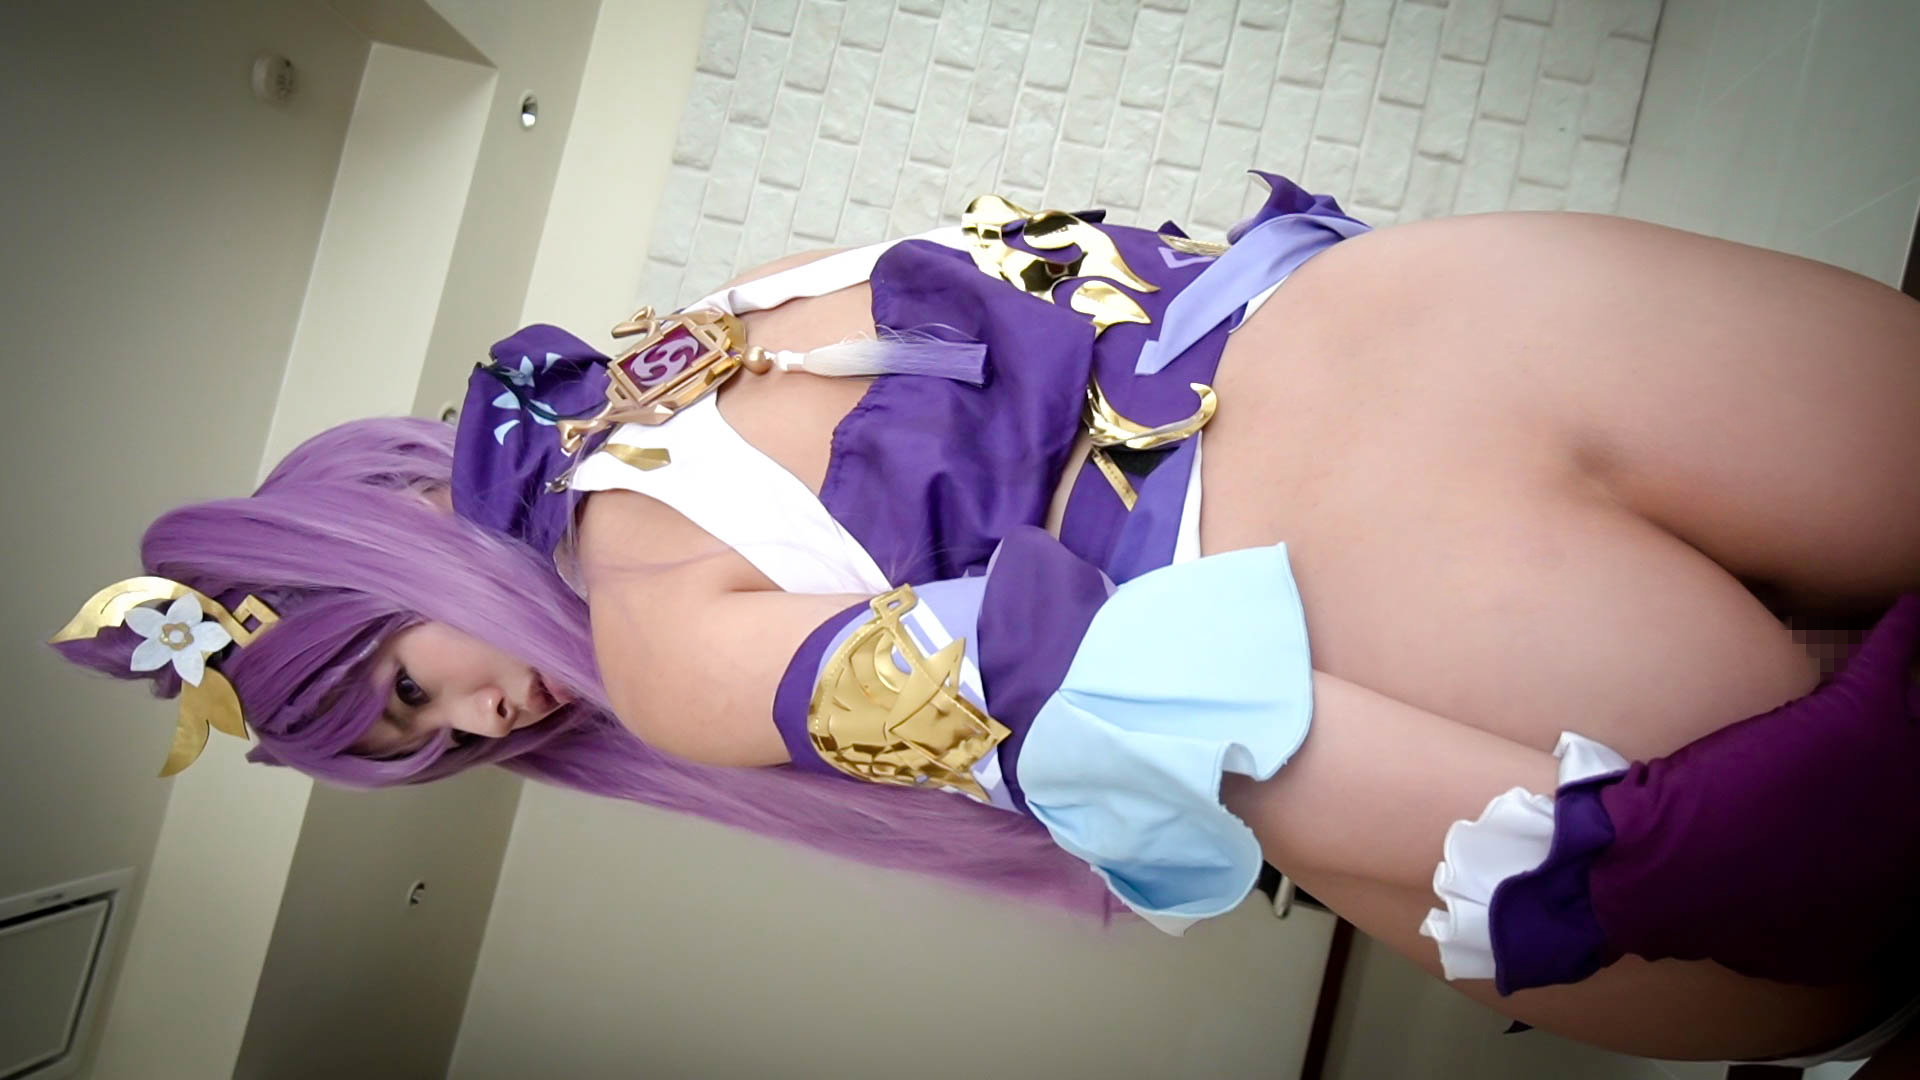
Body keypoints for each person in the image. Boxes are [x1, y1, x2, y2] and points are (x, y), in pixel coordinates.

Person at [52, 174, 1920, 1066]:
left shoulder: (661, 648)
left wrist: (1617, 859)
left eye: (403, 687)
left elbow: (1112, 702)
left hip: (1353, 577)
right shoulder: (719, 312)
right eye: (419, 749)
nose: (474, 728)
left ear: (396, 547)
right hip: (1455, 309)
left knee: (1850, 943)